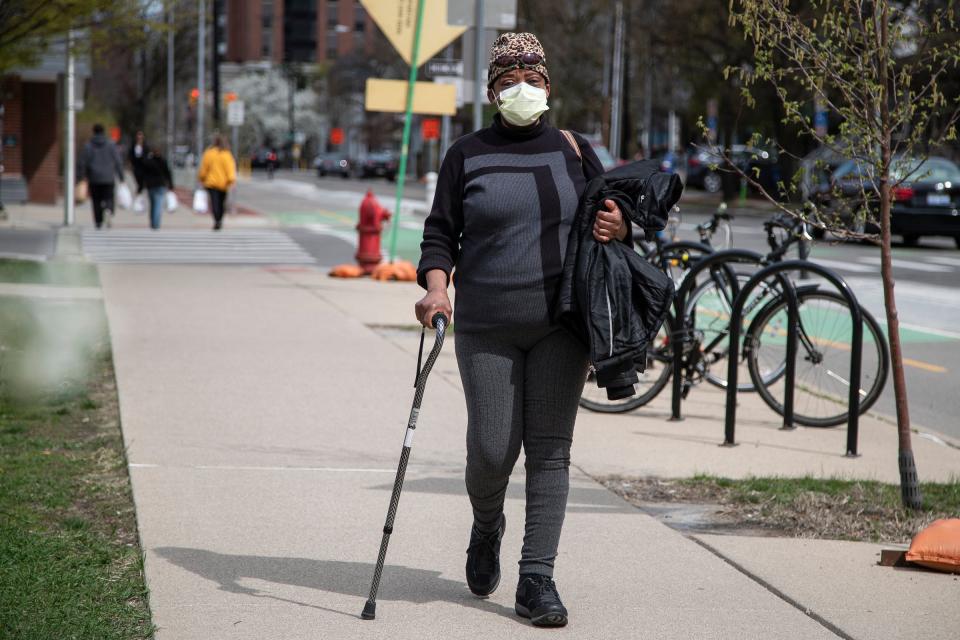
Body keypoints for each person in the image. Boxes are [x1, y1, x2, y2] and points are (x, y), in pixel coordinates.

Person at [414, 32, 626, 628]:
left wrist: (620, 226)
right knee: (490, 450)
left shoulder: (575, 151)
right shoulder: (466, 154)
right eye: (509, 81)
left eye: (531, 79)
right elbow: (440, 233)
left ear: (548, 86)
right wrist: (436, 286)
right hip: (486, 326)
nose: (521, 90)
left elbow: (612, 219)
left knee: (550, 452)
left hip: (562, 324)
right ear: (491, 92)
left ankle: (538, 579)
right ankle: (487, 526)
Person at [79, 124, 125, 229]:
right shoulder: (111, 145)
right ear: (104, 132)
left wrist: (81, 177)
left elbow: (82, 162)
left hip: (94, 178)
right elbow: (118, 161)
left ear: (93, 132)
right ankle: (108, 209)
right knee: (109, 197)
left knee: (96, 200)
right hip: (108, 177)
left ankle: (98, 221)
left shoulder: (89, 146)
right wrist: (121, 176)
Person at [197, 133, 236, 230]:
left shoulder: (209, 153)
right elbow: (230, 169)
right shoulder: (226, 154)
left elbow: (204, 168)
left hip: (211, 182)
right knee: (221, 202)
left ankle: (216, 219)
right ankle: (219, 219)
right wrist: (231, 180)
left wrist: (201, 178)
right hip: (223, 183)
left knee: (214, 202)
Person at [138, 147, 174, 230]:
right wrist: (170, 185)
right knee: (158, 205)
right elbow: (168, 173)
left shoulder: (149, 162)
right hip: (160, 185)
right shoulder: (162, 161)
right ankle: (156, 223)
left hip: (151, 186)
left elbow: (143, 174)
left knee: (153, 204)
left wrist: (141, 186)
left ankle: (153, 223)